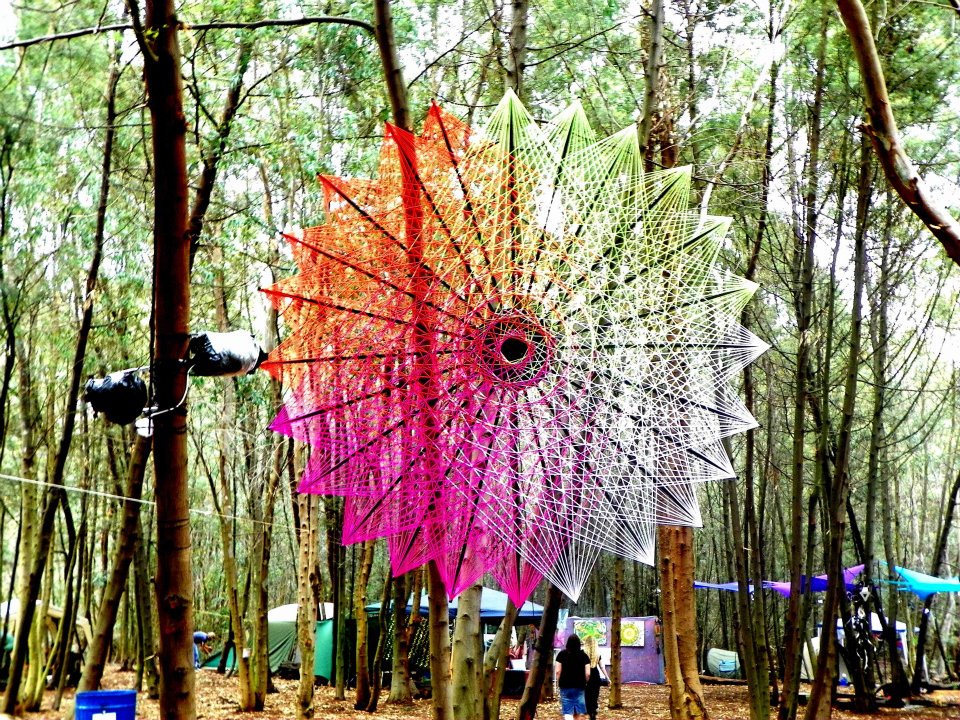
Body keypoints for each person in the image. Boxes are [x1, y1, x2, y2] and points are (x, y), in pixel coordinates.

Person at [554, 634, 590, 720]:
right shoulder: (584, 656)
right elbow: (588, 673)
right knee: (578, 711)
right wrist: (585, 681)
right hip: (579, 686)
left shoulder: (561, 654)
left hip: (565, 685)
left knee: (568, 711)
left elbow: (558, 671)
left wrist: (559, 682)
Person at [583, 636, 607, 720]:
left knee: (587, 695)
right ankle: (593, 712)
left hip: (585, 675)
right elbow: (602, 667)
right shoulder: (598, 655)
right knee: (594, 695)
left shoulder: (583, 654)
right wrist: (607, 678)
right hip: (596, 676)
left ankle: (590, 712)